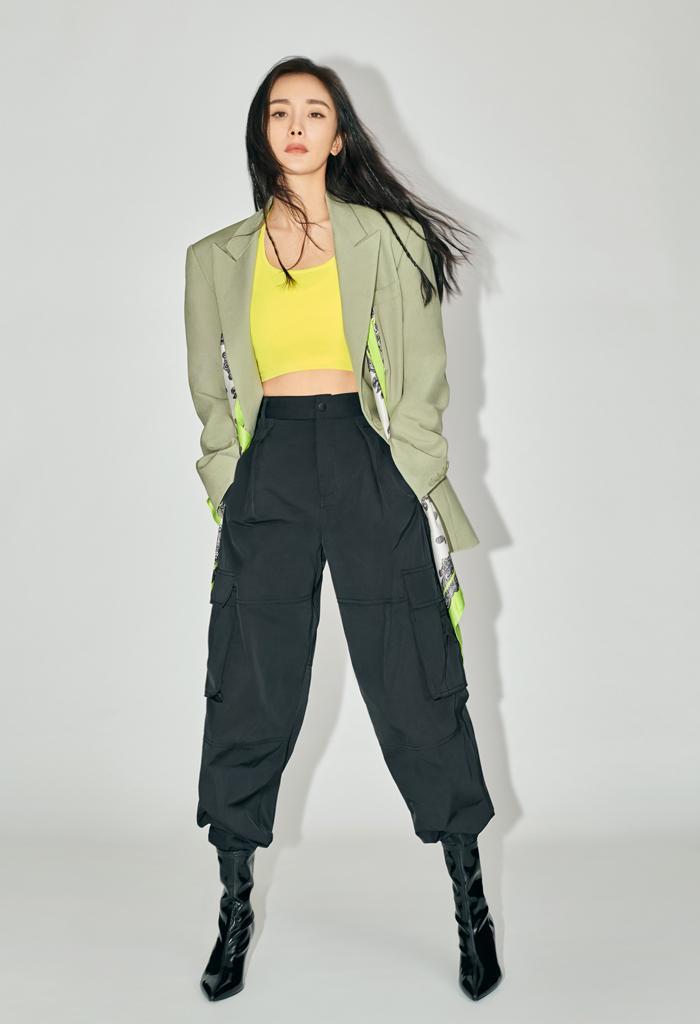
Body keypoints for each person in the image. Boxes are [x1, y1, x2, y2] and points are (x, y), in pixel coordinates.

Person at [183, 56, 502, 1003]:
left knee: (416, 681)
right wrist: (228, 483)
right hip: (269, 471)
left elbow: (424, 379)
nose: (295, 126)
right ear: (261, 132)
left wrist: (409, 474)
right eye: (279, 112)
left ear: (339, 135)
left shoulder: (389, 240)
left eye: (314, 112)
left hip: (369, 464)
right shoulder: (214, 258)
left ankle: (471, 906)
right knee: (250, 688)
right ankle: (234, 909)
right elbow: (209, 393)